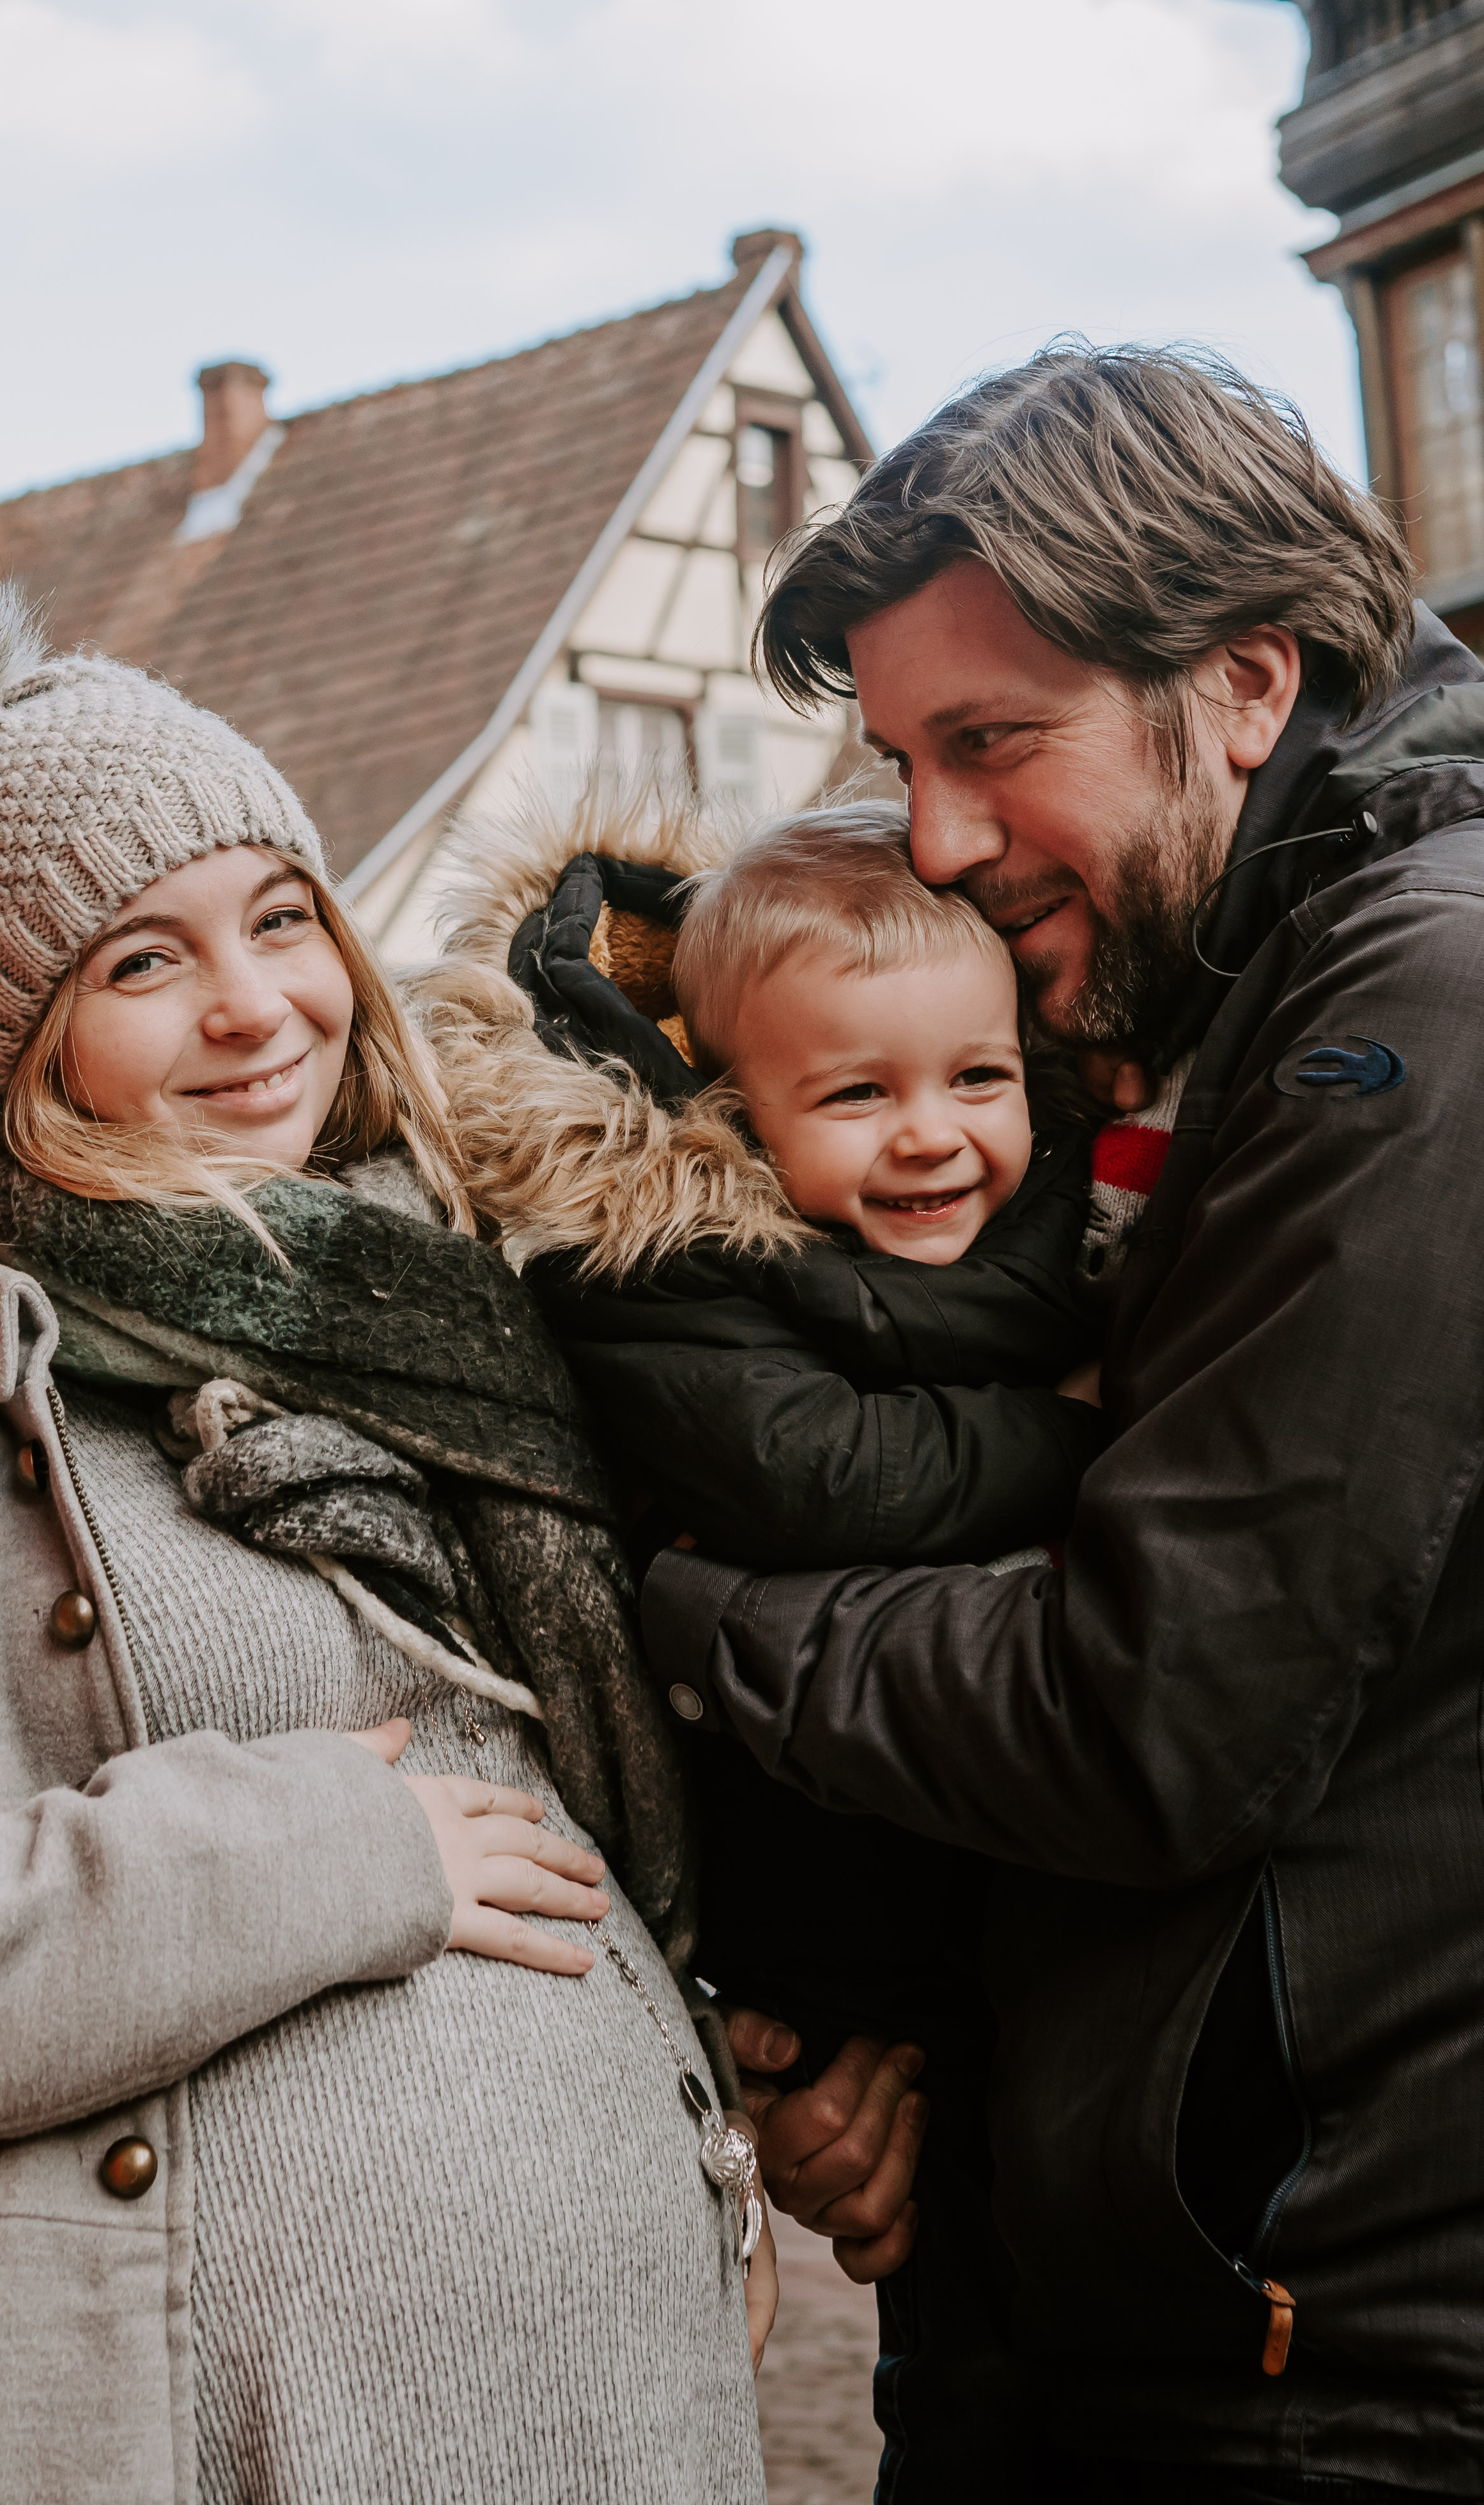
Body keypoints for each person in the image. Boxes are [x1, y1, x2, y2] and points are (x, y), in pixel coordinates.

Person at [647, 344, 1484, 2502]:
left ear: (1243, 682)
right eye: (903, 758)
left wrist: (700, 1623)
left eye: (993, 743)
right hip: (1251, 2306)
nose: (934, 834)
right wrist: (868, 2025)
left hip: (1410, 2359)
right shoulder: (1252, 980)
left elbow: (1157, 1699)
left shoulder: (1460, 994)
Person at [0, 575, 769, 2505]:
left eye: (282, 920)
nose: (255, 1008)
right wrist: (303, 1851)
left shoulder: (487, 1316)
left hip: (614, 2418)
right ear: (11, 1042)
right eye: (140, 964)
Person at [416, 792, 1105, 2064]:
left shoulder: (1051, 1215)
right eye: (857, 1093)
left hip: (995, 1824)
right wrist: (1075, 1437)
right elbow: (816, 1476)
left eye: (978, 1076)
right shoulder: (657, 1257)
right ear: (732, 1106)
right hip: (810, 1851)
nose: (933, 1133)